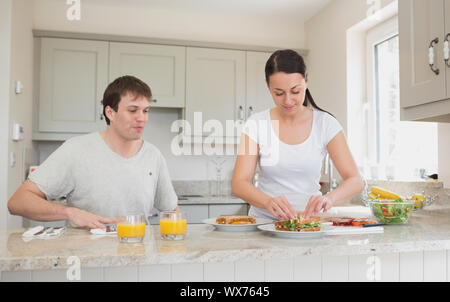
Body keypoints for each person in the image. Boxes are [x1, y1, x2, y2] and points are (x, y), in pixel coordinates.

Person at [8, 75, 178, 229]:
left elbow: (172, 211)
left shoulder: (153, 155)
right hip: (85, 258)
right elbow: (18, 201)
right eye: (133, 110)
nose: (142, 118)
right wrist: (70, 212)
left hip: (137, 255)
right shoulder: (76, 149)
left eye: (146, 111)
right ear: (110, 112)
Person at [232, 49, 364, 220]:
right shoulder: (256, 124)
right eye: (279, 93)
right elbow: (239, 183)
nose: (288, 101)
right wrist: (267, 202)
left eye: (295, 91)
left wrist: (328, 199)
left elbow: (355, 181)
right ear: (268, 85)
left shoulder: (325, 124)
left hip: (308, 223)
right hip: (265, 223)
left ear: (306, 80)